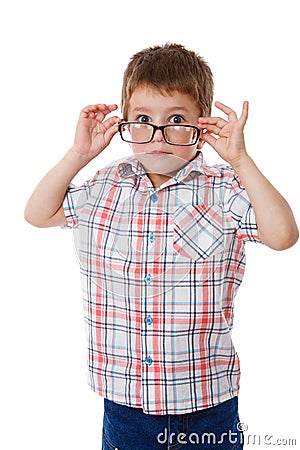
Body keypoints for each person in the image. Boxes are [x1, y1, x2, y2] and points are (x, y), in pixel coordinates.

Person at [25, 43, 298, 450]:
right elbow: (38, 213)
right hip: (126, 406)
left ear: (202, 126)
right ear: (126, 123)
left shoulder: (224, 189)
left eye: (176, 119)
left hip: (207, 403)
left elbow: (283, 235)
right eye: (143, 119)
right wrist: (78, 155)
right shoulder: (105, 185)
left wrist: (241, 161)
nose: (159, 135)